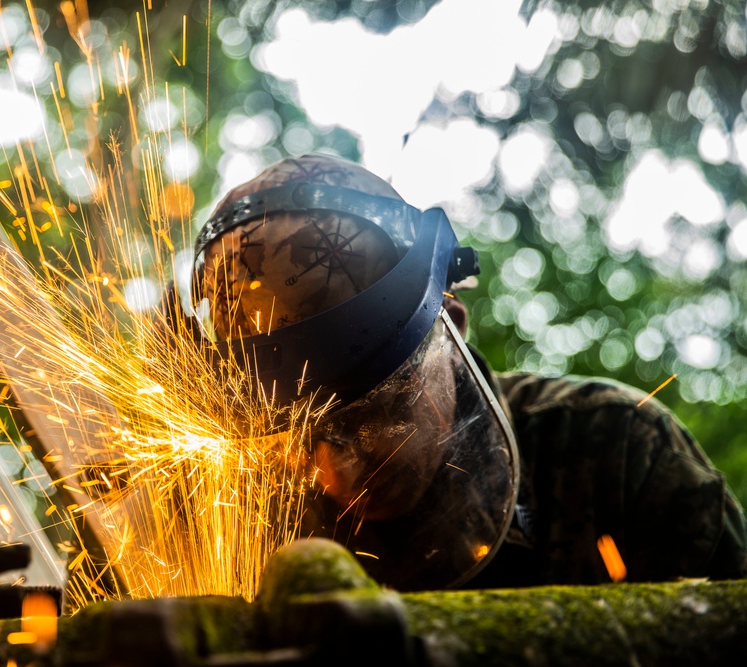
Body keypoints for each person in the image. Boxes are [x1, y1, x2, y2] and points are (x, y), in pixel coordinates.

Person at [179, 152, 747, 591]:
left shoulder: (617, 455)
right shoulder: (246, 527)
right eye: (305, 433)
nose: (340, 467)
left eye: (373, 409)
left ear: (448, 327)